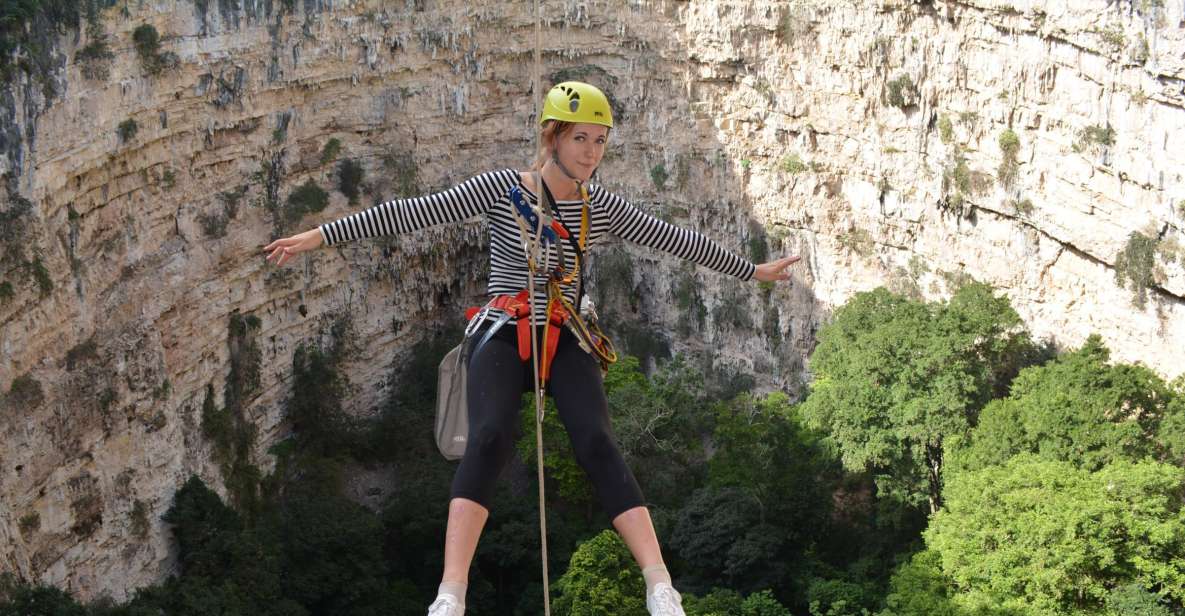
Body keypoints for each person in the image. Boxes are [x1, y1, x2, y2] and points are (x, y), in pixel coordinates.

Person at [264, 81, 800, 616]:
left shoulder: (601, 207)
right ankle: (452, 591)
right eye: (580, 139)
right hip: (504, 326)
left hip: (565, 332)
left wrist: (750, 270)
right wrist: (320, 236)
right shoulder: (504, 190)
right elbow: (414, 212)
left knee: (596, 441)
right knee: (491, 436)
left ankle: (660, 585)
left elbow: (671, 238)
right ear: (553, 139)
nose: (591, 153)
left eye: (600, 141)